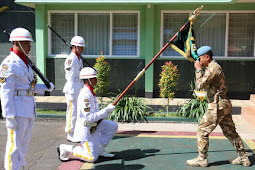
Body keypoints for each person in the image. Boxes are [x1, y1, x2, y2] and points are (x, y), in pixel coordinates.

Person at [186, 46, 251, 167]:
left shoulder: (213, 68)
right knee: (231, 133)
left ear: (207, 57)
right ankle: (244, 158)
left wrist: (198, 70)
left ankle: (202, 159)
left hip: (217, 105)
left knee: (202, 130)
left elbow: (200, 85)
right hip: (223, 104)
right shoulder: (213, 67)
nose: (199, 61)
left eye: (200, 58)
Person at [0, 27, 54, 170]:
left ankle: (20, 167)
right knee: (14, 146)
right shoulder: (8, 64)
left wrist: (45, 87)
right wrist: (9, 116)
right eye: (26, 43)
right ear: (16, 43)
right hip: (17, 110)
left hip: (29, 108)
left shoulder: (26, 62)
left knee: (23, 145)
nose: (30, 45)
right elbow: (5, 92)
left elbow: (29, 86)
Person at [58, 67, 118, 162]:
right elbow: (89, 117)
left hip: (94, 124)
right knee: (92, 158)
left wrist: (106, 111)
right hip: (86, 129)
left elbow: (94, 114)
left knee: (112, 126)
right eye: (94, 78)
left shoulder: (90, 92)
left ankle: (100, 149)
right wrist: (106, 110)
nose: (96, 80)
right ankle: (66, 148)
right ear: (87, 80)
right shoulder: (85, 95)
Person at [63, 36, 85, 142]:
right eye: (80, 47)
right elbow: (70, 77)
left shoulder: (78, 58)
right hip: (72, 89)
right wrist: (71, 92)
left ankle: (75, 131)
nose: (82, 49)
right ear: (75, 47)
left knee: (77, 111)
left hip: (78, 87)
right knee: (72, 111)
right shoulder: (71, 59)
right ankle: (70, 133)